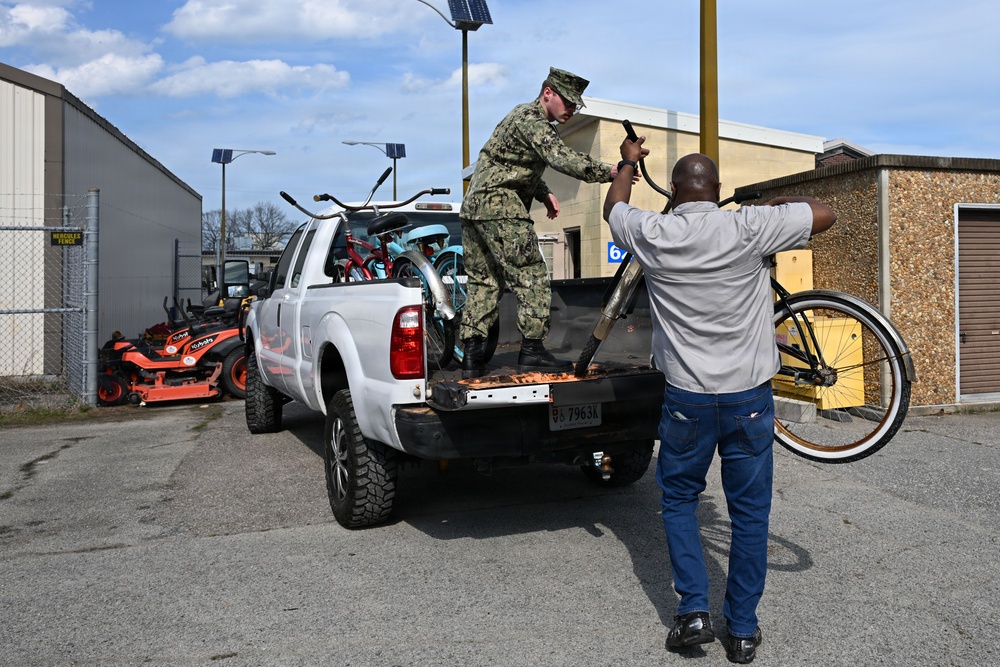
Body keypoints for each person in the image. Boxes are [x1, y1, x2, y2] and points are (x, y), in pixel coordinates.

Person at [603, 139, 836, 664]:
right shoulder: (747, 226)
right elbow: (827, 213)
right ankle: (745, 630)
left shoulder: (654, 232)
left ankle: (692, 613)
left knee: (680, 500)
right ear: (719, 191)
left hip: (686, 398)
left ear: (677, 194)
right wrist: (775, 210)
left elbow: (612, 206)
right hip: (748, 398)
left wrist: (628, 162)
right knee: (750, 513)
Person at [459, 67, 632, 378]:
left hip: (475, 208)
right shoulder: (536, 123)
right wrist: (611, 171)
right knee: (532, 275)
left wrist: (544, 193)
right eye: (567, 102)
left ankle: (471, 356)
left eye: (576, 105)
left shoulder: (518, 116)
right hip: (502, 208)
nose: (571, 109)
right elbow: (562, 158)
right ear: (548, 93)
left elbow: (504, 162)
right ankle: (532, 351)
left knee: (484, 282)